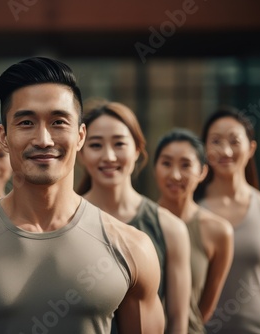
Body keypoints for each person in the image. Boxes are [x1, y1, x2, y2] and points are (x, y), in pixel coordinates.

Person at [0, 57, 164, 334]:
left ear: (81, 135)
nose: (43, 139)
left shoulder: (132, 248)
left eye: (58, 122)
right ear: (4, 136)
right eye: (26, 122)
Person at [77, 100, 191, 334]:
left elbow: (178, 319)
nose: (109, 156)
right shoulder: (64, 219)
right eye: (96, 145)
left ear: (137, 150)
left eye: (119, 144)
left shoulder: (170, 228)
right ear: (80, 151)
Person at [195, 107, 260, 334]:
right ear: (204, 149)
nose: (225, 150)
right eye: (216, 141)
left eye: (234, 141)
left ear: (251, 148)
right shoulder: (192, 212)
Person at [153, 128, 234, 333]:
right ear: (155, 168)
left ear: (202, 171)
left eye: (186, 165)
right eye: (166, 164)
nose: (175, 174)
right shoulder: (137, 223)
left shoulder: (219, 231)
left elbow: (204, 309)